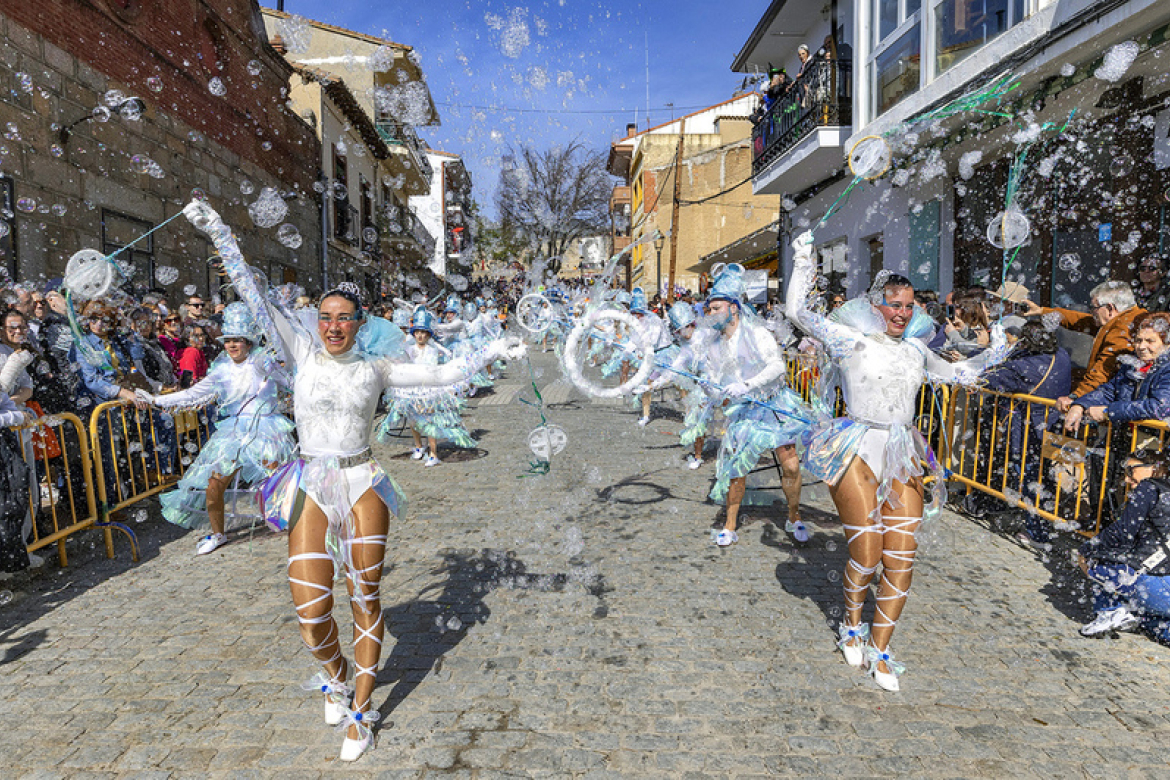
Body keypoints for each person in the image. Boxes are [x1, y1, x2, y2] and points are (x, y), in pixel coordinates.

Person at [184, 200, 521, 762]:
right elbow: (251, 290)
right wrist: (219, 228)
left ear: (360, 324)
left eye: (344, 318)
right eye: (326, 317)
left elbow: (444, 371)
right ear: (317, 322)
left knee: (365, 594)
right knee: (311, 612)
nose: (333, 326)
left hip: (363, 481)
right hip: (311, 483)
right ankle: (336, 677)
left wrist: (494, 348)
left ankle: (361, 712)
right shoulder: (301, 354)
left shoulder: (377, 368)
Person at [786, 231, 1008, 692]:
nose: (901, 313)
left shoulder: (916, 350)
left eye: (908, 306)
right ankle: (851, 621)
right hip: (857, 446)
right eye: (893, 305)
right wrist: (803, 260)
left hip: (902, 449)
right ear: (876, 306)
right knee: (867, 556)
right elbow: (797, 313)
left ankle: (881, 648)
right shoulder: (849, 340)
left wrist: (1000, 341)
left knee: (902, 558)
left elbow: (963, 372)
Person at [136, 303, 295, 555]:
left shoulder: (261, 362)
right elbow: (190, 395)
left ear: (248, 342)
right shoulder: (221, 371)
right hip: (232, 431)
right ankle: (218, 533)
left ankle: (287, 523)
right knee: (214, 484)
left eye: (238, 340)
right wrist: (156, 401)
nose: (232, 345)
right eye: (228, 340)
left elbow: (290, 380)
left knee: (275, 481)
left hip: (266, 427)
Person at [697, 263, 810, 547]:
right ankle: (730, 523)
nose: (711, 314)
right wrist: (711, 388)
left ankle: (794, 515)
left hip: (773, 406)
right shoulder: (711, 345)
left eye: (716, 308)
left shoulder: (756, 333)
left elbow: (778, 367)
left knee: (792, 466)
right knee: (736, 469)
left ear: (733, 308)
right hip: (745, 413)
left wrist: (747, 385)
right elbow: (711, 381)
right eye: (709, 309)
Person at [1077, 447, 1170, 642]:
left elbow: (1121, 533)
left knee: (1097, 557)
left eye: (1131, 471)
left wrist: (1085, 550)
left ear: (1153, 468)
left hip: (1156, 588)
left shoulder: (1149, 488)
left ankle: (1109, 611)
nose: (1127, 479)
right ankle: (1145, 620)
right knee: (1153, 622)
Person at [1022, 281, 1146, 412]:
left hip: (1115, 404)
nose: (1092, 312)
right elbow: (1081, 320)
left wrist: (1076, 396)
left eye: (1094, 308)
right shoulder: (1128, 317)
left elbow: (1103, 371)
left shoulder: (1121, 330)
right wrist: (1042, 311)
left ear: (1110, 308)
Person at [1063, 313, 1170, 432]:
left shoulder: (1167, 368)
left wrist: (1109, 411)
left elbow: (1159, 407)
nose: (1141, 346)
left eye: (1150, 341)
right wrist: (1080, 405)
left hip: (1156, 441)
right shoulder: (1132, 363)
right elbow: (1110, 391)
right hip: (1126, 437)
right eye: (1138, 340)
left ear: (1167, 344)